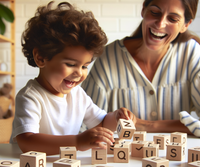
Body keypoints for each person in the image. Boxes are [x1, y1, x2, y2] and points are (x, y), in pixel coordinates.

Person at [10, 1, 136, 155]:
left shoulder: (77, 94)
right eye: (71, 64)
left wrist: (117, 118)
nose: (79, 73)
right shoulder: (30, 97)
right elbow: (27, 141)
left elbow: (101, 122)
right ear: (41, 57)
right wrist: (77, 142)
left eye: (84, 66)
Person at [82, 0, 200, 137]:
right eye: (155, 12)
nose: (160, 24)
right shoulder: (107, 58)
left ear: (186, 25)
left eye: (173, 19)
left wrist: (145, 125)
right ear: (143, 9)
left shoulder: (192, 53)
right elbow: (85, 127)